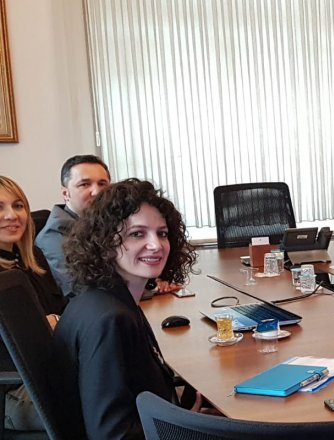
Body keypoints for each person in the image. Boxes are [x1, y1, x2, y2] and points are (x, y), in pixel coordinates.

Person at [53, 179, 198, 439]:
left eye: (162, 233)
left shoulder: (104, 298)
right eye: (137, 234)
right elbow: (111, 434)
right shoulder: (109, 319)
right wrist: (183, 429)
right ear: (104, 242)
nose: (156, 245)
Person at [0, 176, 67, 431]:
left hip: (51, 370)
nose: (12, 215)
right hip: (14, 391)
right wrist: (42, 328)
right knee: (106, 395)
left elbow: (61, 311)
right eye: (0, 207)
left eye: (18, 205)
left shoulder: (31, 259)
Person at [36, 155, 111, 296]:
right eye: (85, 184)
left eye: (102, 184)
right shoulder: (53, 236)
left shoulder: (109, 223)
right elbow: (79, 290)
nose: (97, 192)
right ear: (66, 194)